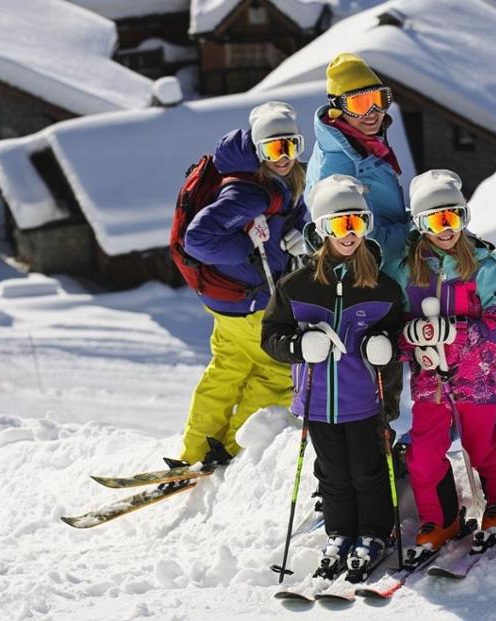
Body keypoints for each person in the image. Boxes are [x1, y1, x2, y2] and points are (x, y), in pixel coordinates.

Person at [261, 174, 404, 578]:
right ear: (322, 229)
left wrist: (385, 349)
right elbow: (270, 336)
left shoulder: (383, 289)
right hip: (317, 403)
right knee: (333, 474)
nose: (350, 234)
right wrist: (298, 348)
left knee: (367, 470)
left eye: (358, 223)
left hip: (363, 403)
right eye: (341, 224)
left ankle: (375, 533)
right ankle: (340, 532)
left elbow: (396, 346)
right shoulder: (296, 286)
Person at [390, 169, 496, 558]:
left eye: (454, 217)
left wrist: (459, 332)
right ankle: (441, 517)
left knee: (480, 445)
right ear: (419, 224)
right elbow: (395, 329)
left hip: (476, 376)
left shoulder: (482, 266)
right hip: (430, 378)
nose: (446, 229)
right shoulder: (406, 272)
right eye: (435, 220)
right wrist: (409, 337)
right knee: (423, 453)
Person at [178, 101, 310, 465]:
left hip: (228, 302)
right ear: (257, 149)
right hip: (252, 304)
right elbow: (198, 239)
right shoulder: (248, 191)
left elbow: (293, 212)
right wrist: (248, 248)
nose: (283, 157)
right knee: (277, 371)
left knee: (227, 370)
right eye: (273, 148)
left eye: (290, 146)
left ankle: (196, 450)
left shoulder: (274, 179)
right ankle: (232, 451)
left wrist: (298, 232)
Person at [304, 51, 409, 427]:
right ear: (336, 109)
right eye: (359, 103)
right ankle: (376, 452)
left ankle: (384, 441)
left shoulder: (357, 145)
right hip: (366, 287)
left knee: (383, 371)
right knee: (376, 375)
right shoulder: (342, 164)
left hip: (380, 280)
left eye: (379, 100)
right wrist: (413, 236)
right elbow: (356, 237)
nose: (372, 112)